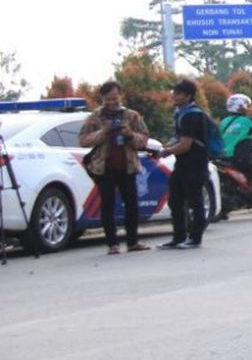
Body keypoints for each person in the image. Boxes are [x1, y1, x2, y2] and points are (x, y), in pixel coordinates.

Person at [78, 81, 151, 254]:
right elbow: (83, 140)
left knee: (132, 204)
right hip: (104, 167)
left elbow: (144, 140)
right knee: (108, 205)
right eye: (108, 99)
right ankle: (112, 244)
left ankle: (133, 242)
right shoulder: (94, 118)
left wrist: (129, 134)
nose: (112, 102)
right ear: (102, 98)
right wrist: (103, 132)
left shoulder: (132, 116)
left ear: (121, 96)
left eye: (115, 98)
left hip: (128, 166)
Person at [157, 79, 210, 249]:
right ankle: (178, 236)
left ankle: (195, 238)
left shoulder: (191, 115)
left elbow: (185, 145)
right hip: (183, 164)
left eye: (178, 94)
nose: (174, 96)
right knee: (175, 200)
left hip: (195, 163)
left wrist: (167, 151)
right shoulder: (181, 113)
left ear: (188, 96)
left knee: (195, 202)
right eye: (174, 93)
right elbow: (178, 139)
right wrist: (168, 147)